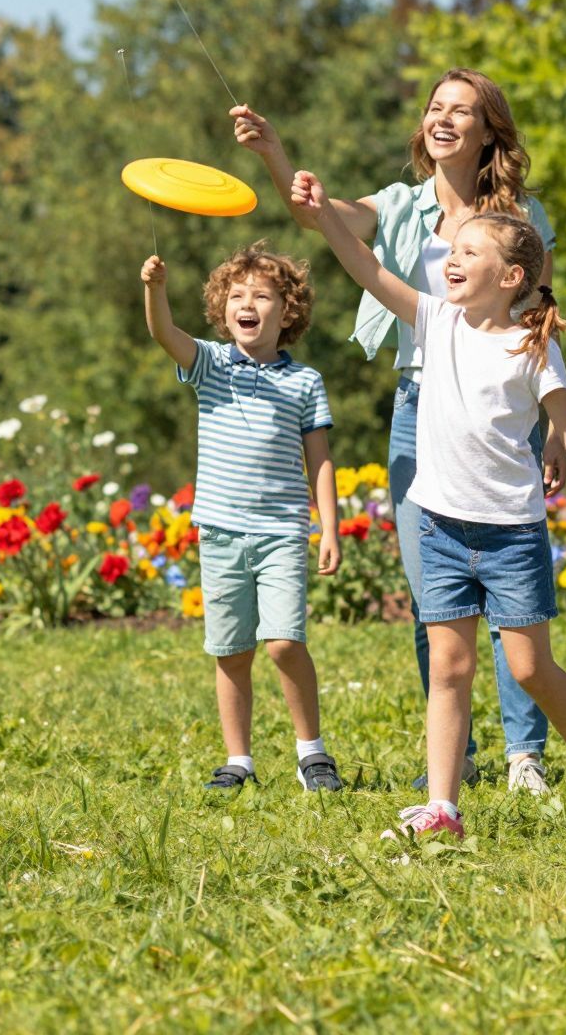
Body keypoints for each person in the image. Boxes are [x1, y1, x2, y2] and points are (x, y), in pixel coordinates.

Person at [287, 165, 566, 837]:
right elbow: (366, 267)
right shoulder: (436, 322)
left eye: (469, 253)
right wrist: (326, 216)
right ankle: (443, 806)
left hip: (511, 534)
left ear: (511, 277)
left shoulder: (531, 348)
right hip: (441, 526)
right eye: (451, 253)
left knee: (529, 667)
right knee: (449, 666)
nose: (452, 260)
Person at [229, 71, 561, 794]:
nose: (442, 119)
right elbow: (321, 218)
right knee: (433, 590)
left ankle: (524, 754)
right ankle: (457, 754)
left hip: (504, 414)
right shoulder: (401, 204)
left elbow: (541, 322)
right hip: (421, 408)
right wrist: (275, 156)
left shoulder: (523, 217)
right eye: (435, 107)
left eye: (461, 111)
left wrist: (557, 429)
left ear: (488, 132)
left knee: (512, 601)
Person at [142, 243, 344, 794]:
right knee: (231, 651)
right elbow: (165, 333)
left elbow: (319, 458)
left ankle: (312, 753)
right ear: (223, 309)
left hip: (281, 532)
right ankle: (239, 760)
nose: (246, 304)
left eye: (261, 295)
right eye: (236, 296)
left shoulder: (304, 383)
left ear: (288, 312)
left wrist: (329, 526)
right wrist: (155, 290)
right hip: (222, 531)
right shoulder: (211, 364)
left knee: (283, 642)